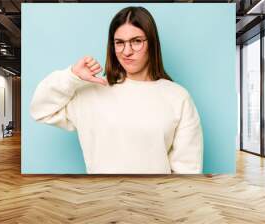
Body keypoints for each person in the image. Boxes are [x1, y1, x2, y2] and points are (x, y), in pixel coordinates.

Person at [30, 6, 203, 174]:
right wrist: (72, 76)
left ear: (152, 43)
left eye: (136, 41)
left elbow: (188, 169)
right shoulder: (91, 92)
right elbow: (40, 110)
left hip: (156, 201)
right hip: (100, 199)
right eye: (119, 43)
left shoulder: (178, 97)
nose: (127, 51)